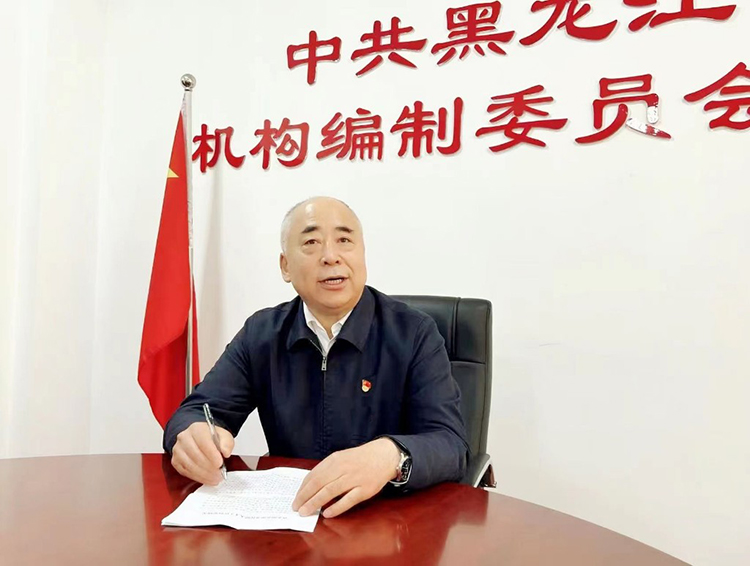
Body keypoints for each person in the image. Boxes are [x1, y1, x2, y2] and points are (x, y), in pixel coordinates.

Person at [164, 196, 468, 518]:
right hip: (294, 518)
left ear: (362, 254)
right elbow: (196, 412)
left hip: (390, 520)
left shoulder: (414, 333)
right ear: (285, 266)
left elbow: (450, 444)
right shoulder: (263, 334)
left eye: (344, 240)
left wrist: (391, 456)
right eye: (311, 242)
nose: (331, 256)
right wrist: (191, 435)